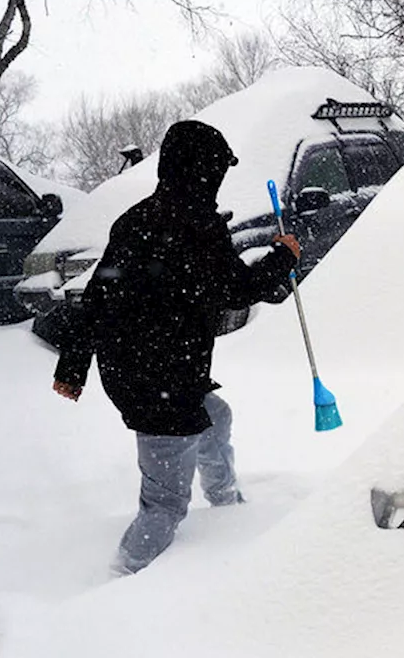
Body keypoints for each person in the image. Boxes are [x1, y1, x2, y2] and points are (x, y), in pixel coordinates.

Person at [52, 119, 301, 576]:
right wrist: (283, 257)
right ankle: (120, 576)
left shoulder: (137, 218)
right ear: (204, 170)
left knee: (216, 415)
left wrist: (72, 367)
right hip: (161, 380)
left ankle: (228, 508)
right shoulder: (197, 224)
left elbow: (97, 295)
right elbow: (237, 289)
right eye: (217, 170)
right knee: (165, 503)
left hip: (140, 368)